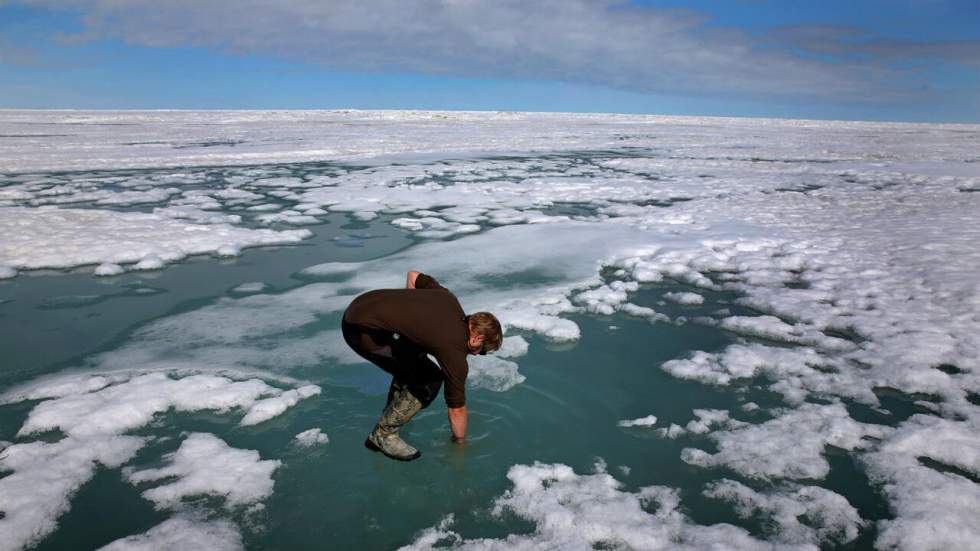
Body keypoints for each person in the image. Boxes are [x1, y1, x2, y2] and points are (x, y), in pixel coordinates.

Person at [341, 270, 502, 461]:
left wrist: (406, 321)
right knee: (429, 381)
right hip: (362, 333)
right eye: (482, 351)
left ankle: (390, 412)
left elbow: (413, 275)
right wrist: (460, 442)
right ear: (477, 337)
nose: (477, 355)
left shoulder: (448, 299)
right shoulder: (454, 351)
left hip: (359, 305)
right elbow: (456, 409)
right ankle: (383, 435)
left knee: (413, 355)